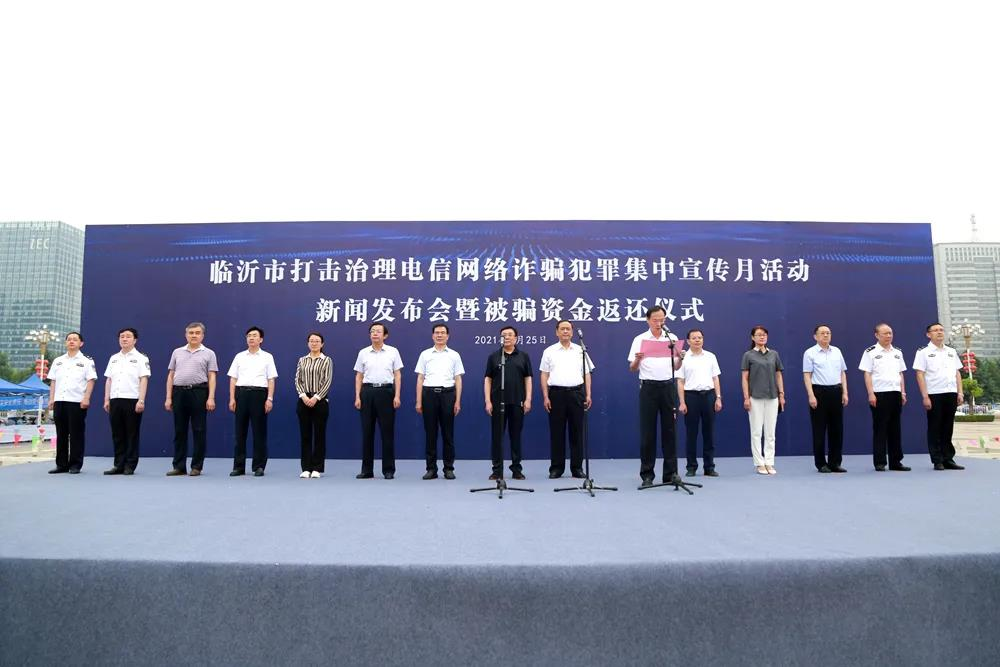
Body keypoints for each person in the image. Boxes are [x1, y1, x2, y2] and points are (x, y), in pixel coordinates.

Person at [628, 306, 683, 486]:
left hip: (668, 387)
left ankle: (670, 474)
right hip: (648, 388)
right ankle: (647, 475)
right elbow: (632, 368)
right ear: (648, 320)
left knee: (670, 432)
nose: (659, 323)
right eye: (655, 320)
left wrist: (681, 357)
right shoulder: (640, 339)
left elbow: (676, 367)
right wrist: (638, 358)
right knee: (648, 433)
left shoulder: (671, 338)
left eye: (662, 319)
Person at [540, 319, 594, 479]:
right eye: (562, 329)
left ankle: (577, 468)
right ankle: (556, 468)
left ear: (572, 332)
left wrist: (588, 394)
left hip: (576, 394)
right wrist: (545, 396)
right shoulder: (549, 351)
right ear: (556, 332)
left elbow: (587, 373)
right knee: (557, 432)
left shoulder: (580, 350)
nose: (565, 331)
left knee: (577, 432)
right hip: (556, 394)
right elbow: (544, 374)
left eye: (568, 329)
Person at [164, 321, 218, 476]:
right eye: (191, 333)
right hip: (179, 393)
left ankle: (196, 466)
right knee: (179, 431)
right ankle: (179, 466)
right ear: (186, 335)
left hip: (199, 392)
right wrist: (168, 397)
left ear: (202, 335)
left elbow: (212, 376)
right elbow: (171, 375)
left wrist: (211, 397)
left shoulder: (209, 353)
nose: (194, 335)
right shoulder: (177, 352)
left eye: (197, 333)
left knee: (199, 430)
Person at [353, 321, 403, 479]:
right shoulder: (363, 352)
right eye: (372, 331)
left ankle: (388, 470)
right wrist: (358, 396)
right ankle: (367, 470)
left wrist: (397, 395)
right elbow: (359, 376)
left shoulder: (393, 351)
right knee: (367, 432)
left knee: (387, 433)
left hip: (386, 392)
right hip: (367, 392)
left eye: (378, 331)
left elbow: (397, 375)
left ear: (385, 335)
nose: (375, 333)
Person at [415, 324, 465, 480]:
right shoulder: (425, 354)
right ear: (432, 336)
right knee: (430, 434)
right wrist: (419, 401)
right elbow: (420, 378)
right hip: (429, 395)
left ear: (448, 336)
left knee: (448, 434)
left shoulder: (454, 355)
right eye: (437, 333)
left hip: (448, 395)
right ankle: (431, 469)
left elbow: (458, 379)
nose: (439, 335)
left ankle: (448, 468)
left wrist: (457, 401)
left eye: (443, 333)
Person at [913, 322, 965, 470]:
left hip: (951, 392)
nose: (939, 332)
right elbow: (920, 374)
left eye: (941, 330)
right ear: (928, 334)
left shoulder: (951, 351)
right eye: (935, 330)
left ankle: (948, 458)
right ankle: (937, 460)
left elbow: (957, 372)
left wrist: (960, 392)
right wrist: (925, 396)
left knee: (948, 427)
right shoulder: (923, 352)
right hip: (934, 394)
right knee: (935, 427)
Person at [859, 323, 910, 472]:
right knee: (880, 428)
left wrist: (903, 392)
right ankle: (880, 462)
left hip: (895, 393)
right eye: (885, 333)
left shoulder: (897, 352)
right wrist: (871, 393)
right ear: (877, 335)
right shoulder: (870, 352)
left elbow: (900, 373)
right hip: (879, 394)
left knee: (895, 429)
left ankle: (896, 461)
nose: (888, 336)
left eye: (890, 333)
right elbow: (867, 374)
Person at [484, 326, 533, 480]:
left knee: (515, 436)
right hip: (497, 402)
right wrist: (488, 400)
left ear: (516, 338)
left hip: (517, 401)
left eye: (510, 335)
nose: (507, 337)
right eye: (504, 335)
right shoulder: (494, 357)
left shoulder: (523, 356)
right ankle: (497, 470)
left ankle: (516, 469)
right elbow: (488, 379)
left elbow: (528, 378)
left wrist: (528, 399)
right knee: (497, 437)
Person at [227, 326, 277, 477]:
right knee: (240, 433)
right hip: (241, 394)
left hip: (259, 395)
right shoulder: (239, 356)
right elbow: (233, 378)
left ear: (261, 339)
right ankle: (239, 467)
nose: (251, 338)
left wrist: (269, 398)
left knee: (259, 432)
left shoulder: (267, 357)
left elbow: (271, 379)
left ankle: (259, 466)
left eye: (254, 335)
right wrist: (232, 398)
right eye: (249, 335)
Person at [102, 327, 151, 475]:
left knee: (131, 434)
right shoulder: (114, 358)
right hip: (115, 399)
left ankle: (130, 465)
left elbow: (144, 379)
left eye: (128, 336)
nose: (124, 339)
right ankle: (118, 464)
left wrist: (141, 400)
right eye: (122, 336)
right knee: (117, 434)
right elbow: (109, 380)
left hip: (132, 399)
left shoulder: (141, 358)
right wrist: (107, 399)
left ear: (135, 340)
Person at [47, 331, 98, 474]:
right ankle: (61, 464)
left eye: (75, 339)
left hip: (76, 401)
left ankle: (75, 464)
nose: (71, 341)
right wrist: (51, 398)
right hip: (60, 401)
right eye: (69, 339)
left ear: (81, 343)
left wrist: (86, 398)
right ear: (65, 342)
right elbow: (53, 381)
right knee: (61, 434)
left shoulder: (87, 361)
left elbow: (91, 380)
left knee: (76, 434)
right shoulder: (58, 360)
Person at [802, 325, 849, 473]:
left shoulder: (837, 351)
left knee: (837, 429)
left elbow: (842, 373)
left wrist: (845, 392)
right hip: (819, 392)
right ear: (815, 336)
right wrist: (811, 395)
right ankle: (821, 463)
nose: (826, 335)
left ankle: (835, 462)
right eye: (822, 333)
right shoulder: (810, 353)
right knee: (819, 430)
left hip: (836, 391)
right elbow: (807, 375)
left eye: (828, 333)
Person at [677, 328, 722, 478]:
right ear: (688, 341)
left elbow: (715, 378)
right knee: (691, 434)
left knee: (709, 433)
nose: (697, 340)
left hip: (709, 396)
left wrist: (718, 397)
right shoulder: (683, 358)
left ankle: (709, 467)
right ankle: (691, 467)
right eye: (694, 338)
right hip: (691, 397)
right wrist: (682, 402)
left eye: (700, 338)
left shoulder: (710, 356)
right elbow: (680, 381)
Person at [741, 326, 786, 475]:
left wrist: (781, 394)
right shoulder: (748, 355)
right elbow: (744, 378)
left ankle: (769, 462)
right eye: (759, 335)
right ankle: (759, 463)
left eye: (764, 335)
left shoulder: (774, 354)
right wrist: (746, 398)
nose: (762, 337)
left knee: (770, 432)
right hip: (755, 397)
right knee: (756, 432)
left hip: (772, 397)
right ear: (752, 337)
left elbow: (778, 375)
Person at [294, 332, 333, 479]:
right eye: (311, 341)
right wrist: (304, 396)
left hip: (320, 401)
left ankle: (317, 468)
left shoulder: (327, 360)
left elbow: (327, 381)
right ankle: (306, 468)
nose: (314, 343)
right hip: (303, 400)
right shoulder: (302, 360)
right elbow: (298, 380)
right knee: (305, 435)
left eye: (317, 341)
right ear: (308, 343)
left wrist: (316, 398)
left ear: (322, 344)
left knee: (319, 435)